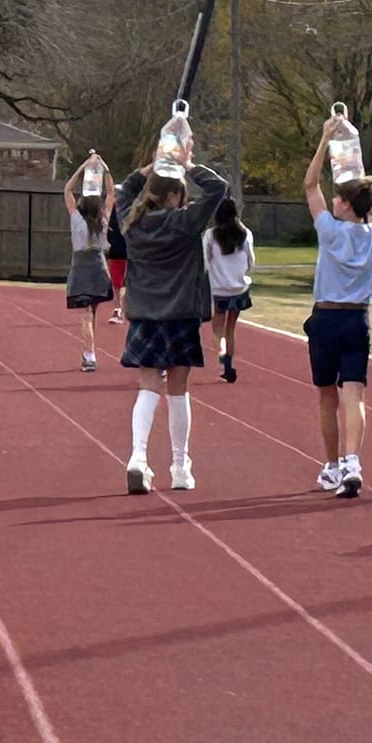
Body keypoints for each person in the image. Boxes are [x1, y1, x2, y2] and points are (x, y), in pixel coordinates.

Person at [116, 154, 228, 494]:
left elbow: (123, 193)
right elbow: (218, 188)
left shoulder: (132, 222)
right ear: (173, 197)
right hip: (180, 316)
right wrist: (187, 162)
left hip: (146, 318)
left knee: (148, 387)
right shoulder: (184, 223)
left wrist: (151, 166)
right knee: (178, 392)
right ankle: (180, 466)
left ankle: (138, 457)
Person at [303, 116, 372, 498]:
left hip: (326, 318)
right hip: (357, 320)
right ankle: (352, 460)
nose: (333, 200)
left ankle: (334, 464)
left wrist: (325, 140)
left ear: (349, 204)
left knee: (326, 395)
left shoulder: (329, 229)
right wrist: (354, 154)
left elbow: (309, 185)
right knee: (354, 393)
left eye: (340, 197)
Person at [63, 153, 115, 372]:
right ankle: (90, 350)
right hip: (99, 267)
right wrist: (104, 168)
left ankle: (89, 355)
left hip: (82, 267)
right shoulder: (103, 221)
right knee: (91, 314)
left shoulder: (76, 219)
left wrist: (83, 167)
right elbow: (111, 193)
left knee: (85, 316)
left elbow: (67, 190)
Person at [203, 197, 255, 384]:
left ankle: (222, 358)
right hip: (239, 287)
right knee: (231, 328)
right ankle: (228, 364)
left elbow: (205, 260)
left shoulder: (211, 235)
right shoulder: (245, 233)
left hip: (219, 288)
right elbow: (251, 262)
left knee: (217, 330)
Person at [105, 189, 128, 324]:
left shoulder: (130, 210)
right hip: (115, 251)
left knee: (125, 282)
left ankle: (121, 309)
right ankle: (118, 309)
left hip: (129, 251)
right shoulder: (110, 212)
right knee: (116, 282)